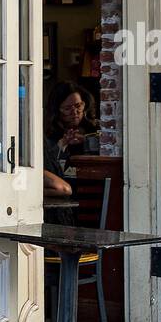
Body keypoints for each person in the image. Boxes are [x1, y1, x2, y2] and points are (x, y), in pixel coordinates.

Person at [43, 81, 98, 225]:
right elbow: (47, 169)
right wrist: (62, 145)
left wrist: (86, 142)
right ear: (57, 111)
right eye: (67, 109)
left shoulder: (94, 129)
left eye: (78, 106)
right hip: (63, 202)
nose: (75, 113)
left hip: (91, 195)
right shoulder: (50, 135)